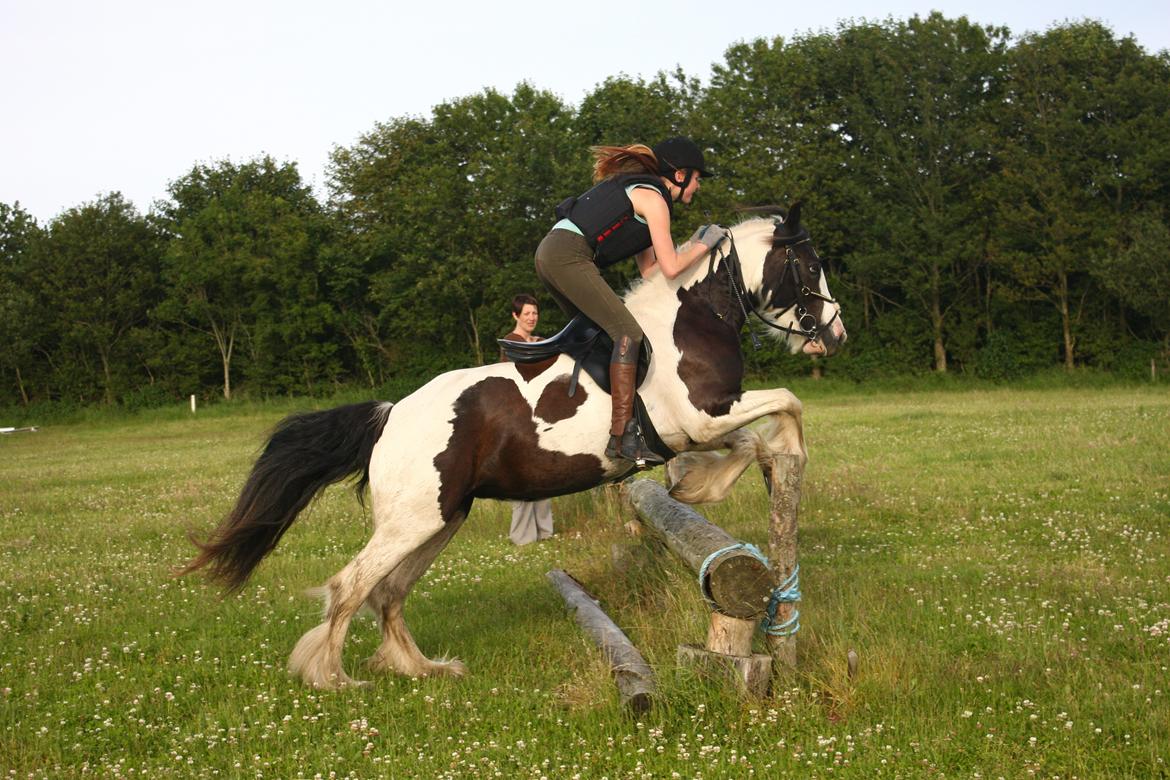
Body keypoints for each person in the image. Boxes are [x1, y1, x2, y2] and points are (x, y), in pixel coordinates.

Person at [534, 137, 727, 468]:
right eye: (696, 178)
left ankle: (586, 423)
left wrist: (692, 245)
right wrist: (705, 243)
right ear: (679, 175)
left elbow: (652, 269)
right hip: (568, 255)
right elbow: (671, 267)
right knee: (629, 334)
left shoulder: (643, 194)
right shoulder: (655, 199)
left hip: (552, 253)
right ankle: (623, 436)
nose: (698, 186)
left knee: (601, 340)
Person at [499, 293, 555, 545]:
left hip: (541, 414)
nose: (532, 317)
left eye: (534, 313)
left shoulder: (541, 341)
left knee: (543, 474)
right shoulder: (512, 343)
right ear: (516, 316)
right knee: (521, 476)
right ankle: (522, 537)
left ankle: (544, 532)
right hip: (517, 416)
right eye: (527, 314)